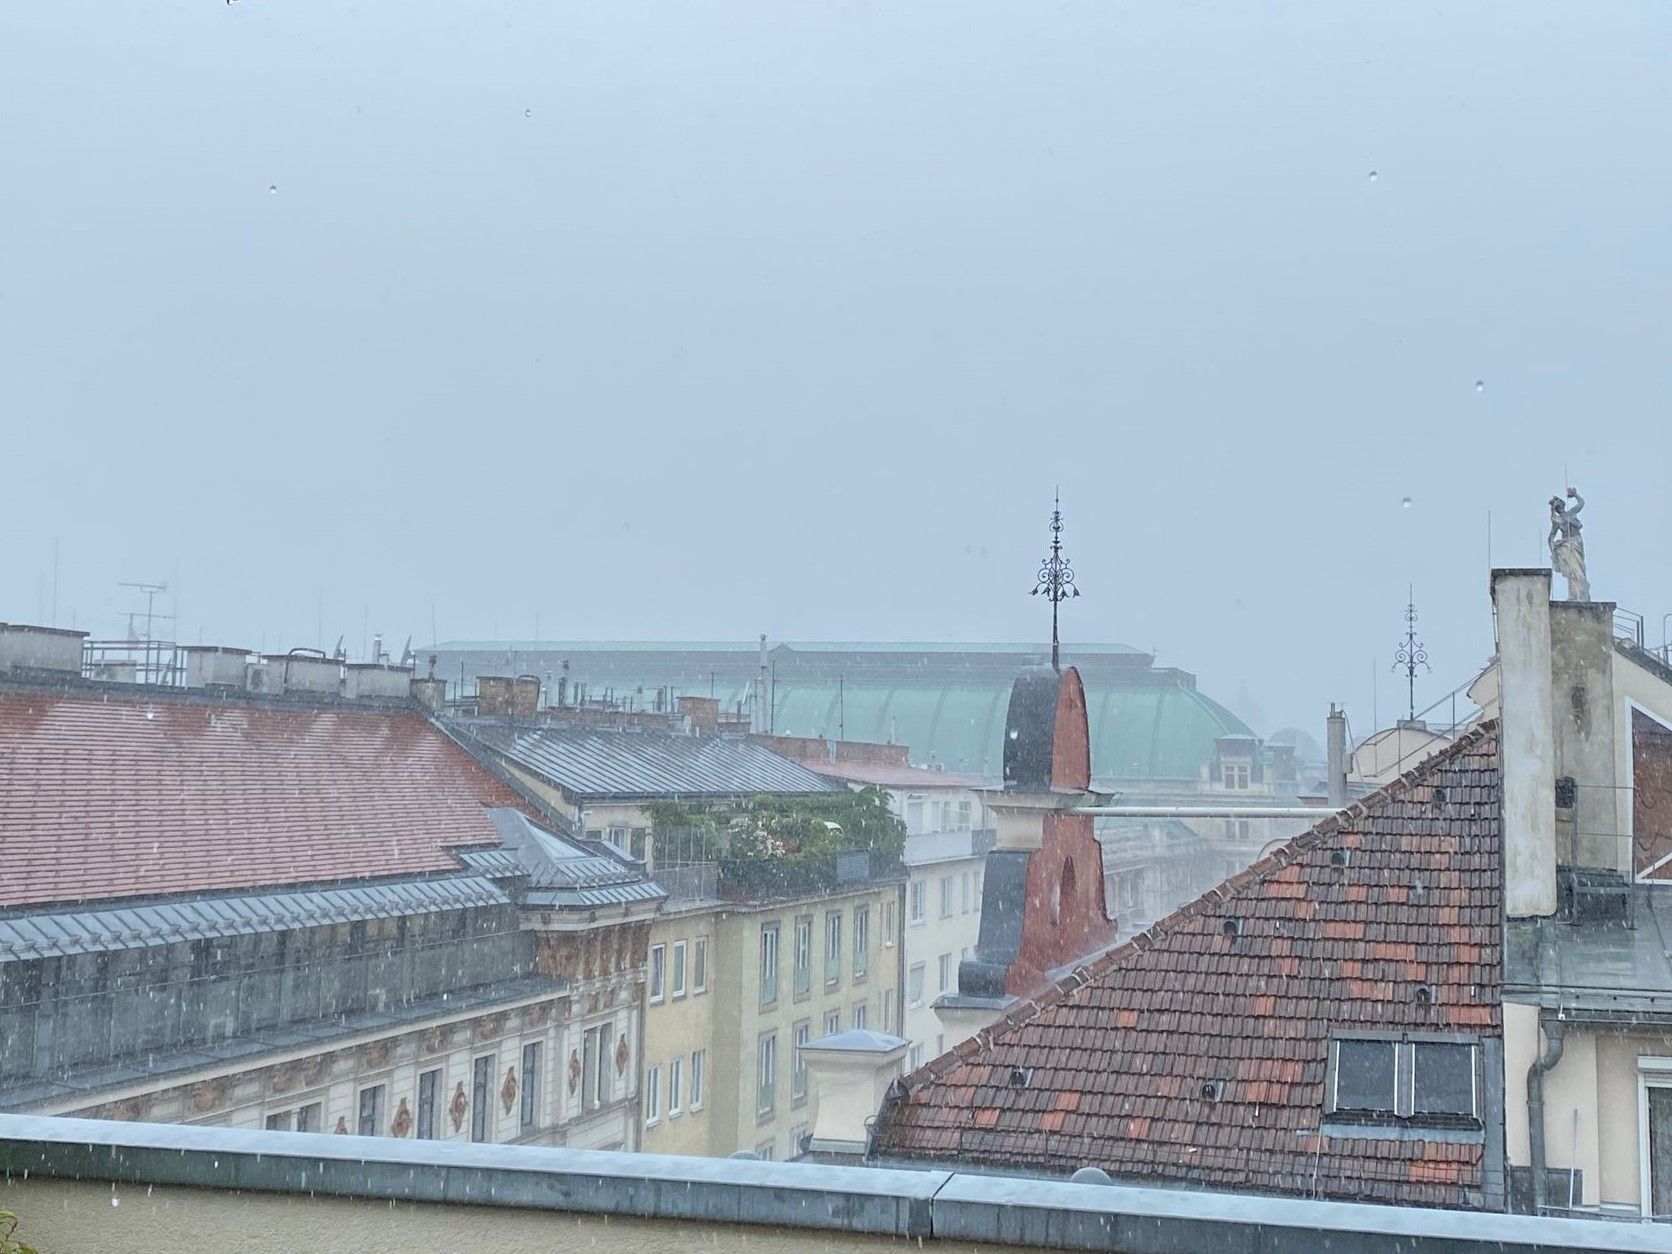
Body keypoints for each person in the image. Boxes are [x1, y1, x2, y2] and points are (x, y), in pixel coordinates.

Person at [1549, 487, 1589, 601]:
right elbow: (1551, 536)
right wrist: (1553, 550)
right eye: (1557, 507)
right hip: (1567, 544)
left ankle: (1580, 594)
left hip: (1576, 542)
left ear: (1563, 506)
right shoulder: (1558, 520)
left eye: (1560, 506)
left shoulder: (1571, 513)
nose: (1559, 508)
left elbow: (1581, 503)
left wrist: (1575, 494)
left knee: (1579, 570)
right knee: (1573, 571)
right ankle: (1575, 595)